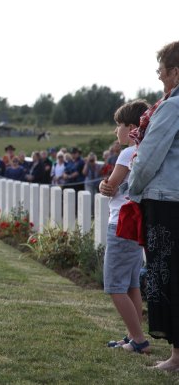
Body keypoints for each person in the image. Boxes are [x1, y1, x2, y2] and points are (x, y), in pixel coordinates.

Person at [128, 41, 179, 371]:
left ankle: (178, 357)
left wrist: (132, 190)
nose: (160, 79)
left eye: (161, 72)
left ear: (175, 72)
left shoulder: (172, 107)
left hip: (167, 203)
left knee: (169, 276)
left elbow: (149, 158)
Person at [99, 99, 150, 355]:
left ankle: (139, 339)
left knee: (113, 286)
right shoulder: (144, 150)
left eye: (118, 125)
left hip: (120, 222)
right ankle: (133, 335)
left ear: (131, 127)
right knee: (131, 284)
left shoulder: (127, 152)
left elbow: (111, 186)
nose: (115, 131)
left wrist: (103, 185)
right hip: (134, 224)